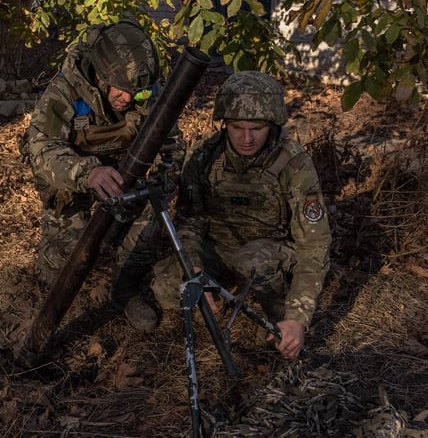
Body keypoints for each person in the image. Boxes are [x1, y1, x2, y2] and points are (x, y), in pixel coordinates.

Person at [150, 71, 331, 360]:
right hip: (218, 248)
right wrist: (193, 267)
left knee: (252, 261)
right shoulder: (205, 156)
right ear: (224, 124)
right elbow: (190, 222)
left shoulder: (293, 162)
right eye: (237, 127)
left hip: (269, 250)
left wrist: (298, 317)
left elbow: (314, 244)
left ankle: (276, 311)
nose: (246, 139)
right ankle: (226, 288)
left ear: (272, 124)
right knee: (165, 285)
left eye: (256, 128)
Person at [19, 20, 185, 332]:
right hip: (75, 185)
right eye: (121, 91)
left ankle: (124, 289)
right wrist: (88, 172)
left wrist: (166, 179)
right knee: (69, 257)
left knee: (150, 222)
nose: (129, 99)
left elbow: (172, 141)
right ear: (100, 74)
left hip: (124, 179)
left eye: (137, 93)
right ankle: (53, 259)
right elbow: (42, 151)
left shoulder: (143, 89)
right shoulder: (64, 92)